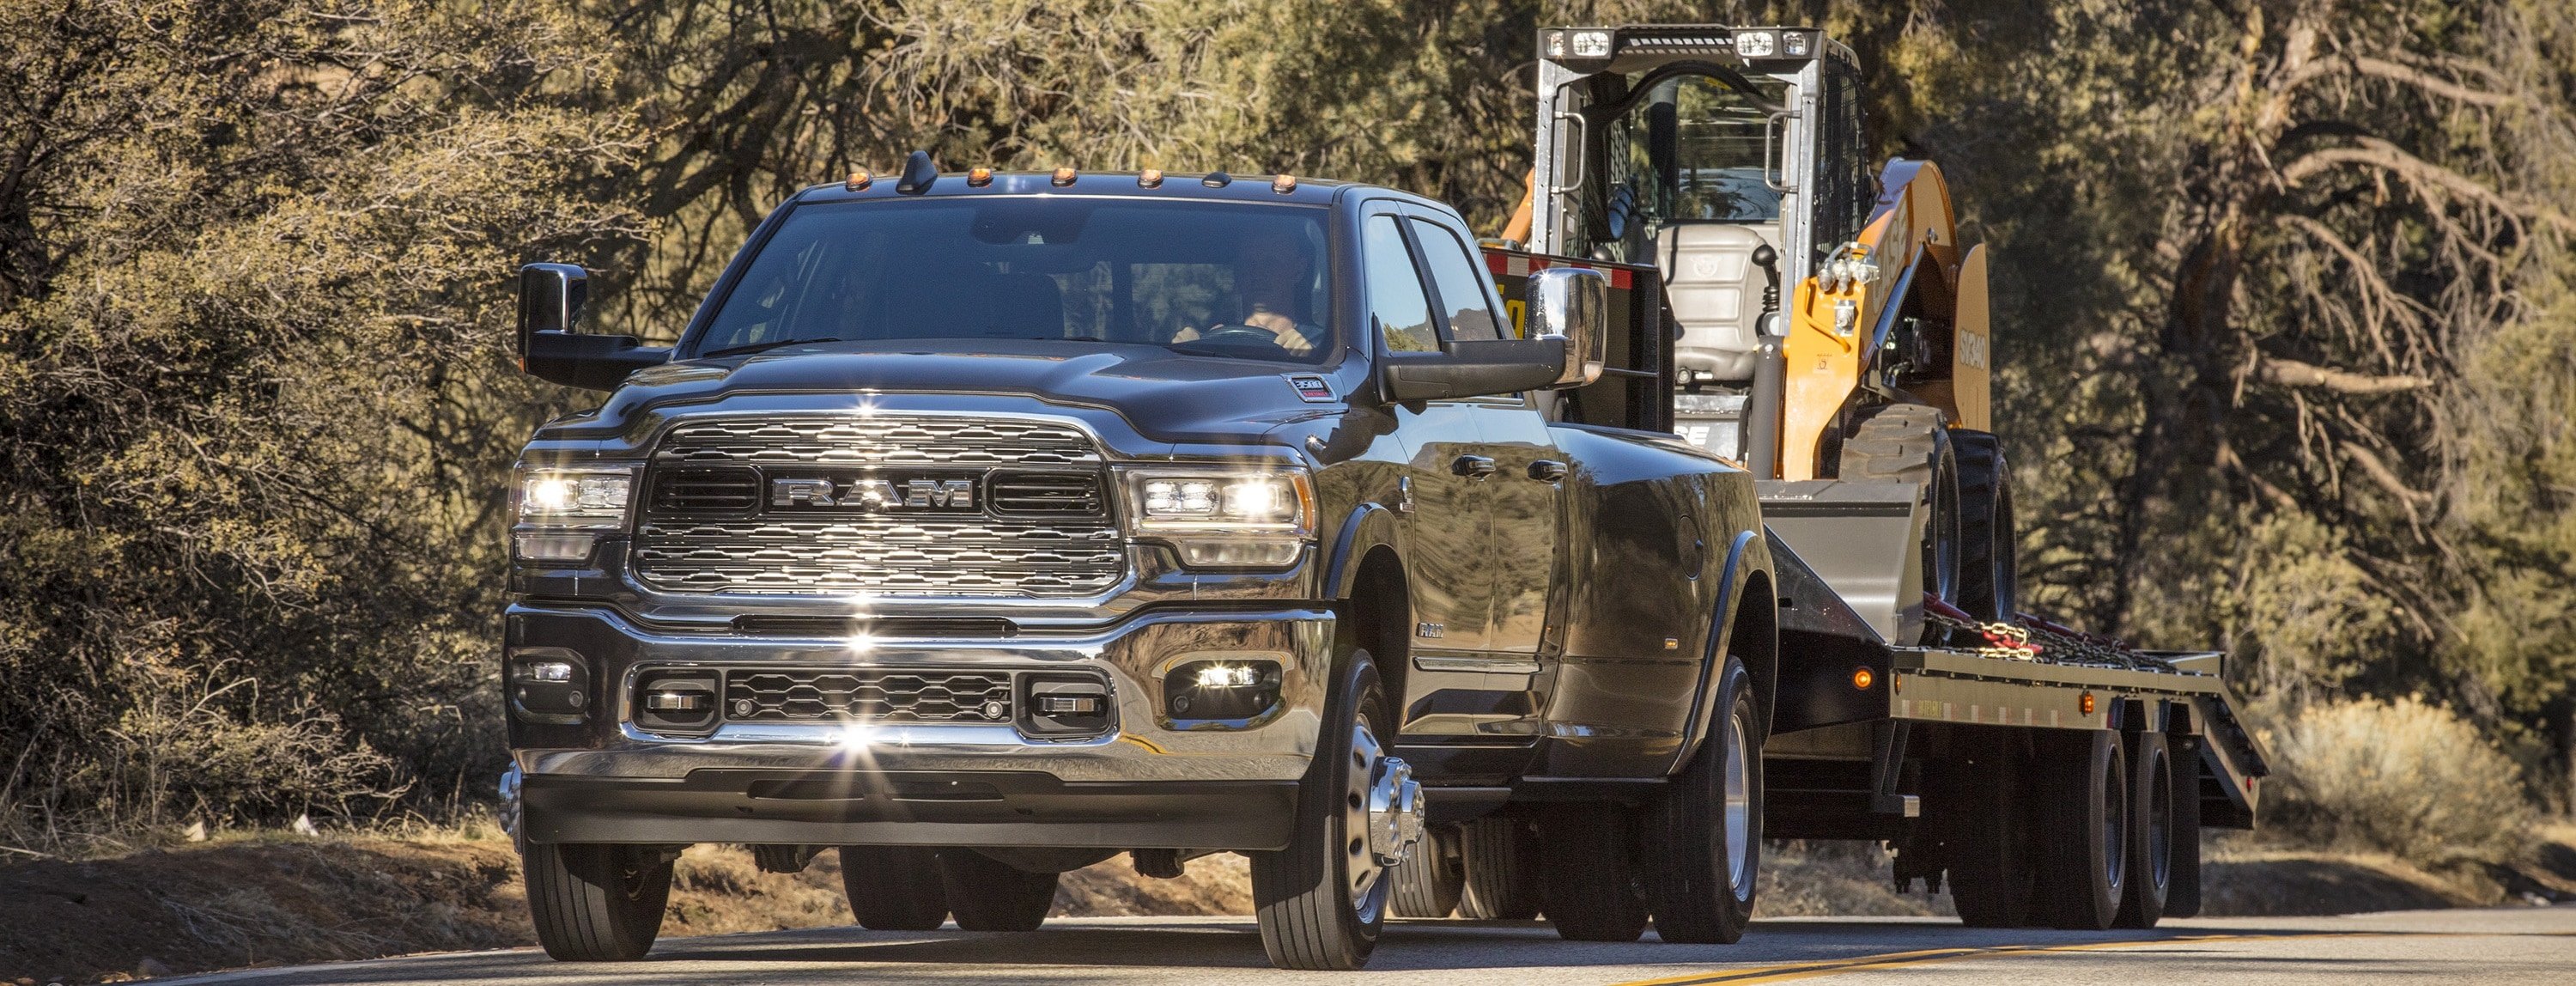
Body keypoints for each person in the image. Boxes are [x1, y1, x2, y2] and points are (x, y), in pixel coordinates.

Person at [1175, 228, 1324, 355]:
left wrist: (1311, 361)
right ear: (1238, 272)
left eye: (1270, 263)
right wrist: (1184, 351)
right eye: (1248, 263)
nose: (1257, 273)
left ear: (1298, 270)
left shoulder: (1326, 348)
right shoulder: (1210, 343)